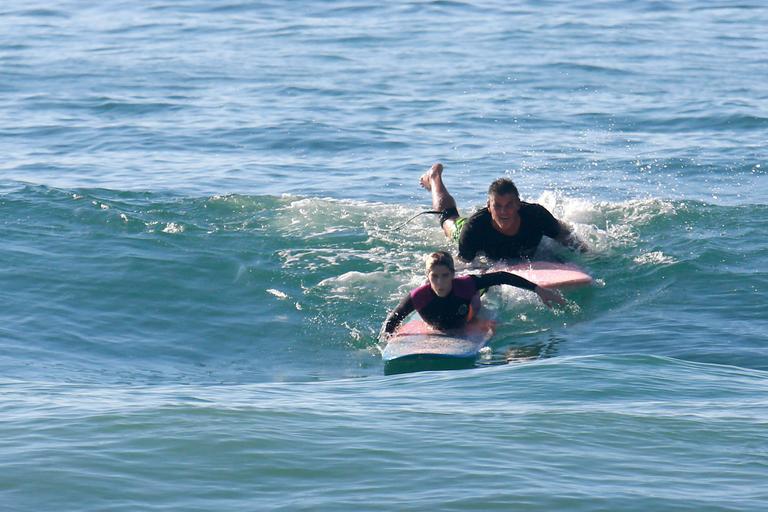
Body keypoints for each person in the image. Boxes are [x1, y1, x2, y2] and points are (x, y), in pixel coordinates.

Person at [419, 162, 587, 262]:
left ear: (519, 204)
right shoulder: (475, 228)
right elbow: (464, 263)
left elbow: (565, 236)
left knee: (558, 227)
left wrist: (589, 256)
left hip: (527, 240)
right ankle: (435, 177)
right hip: (471, 235)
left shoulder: (536, 215)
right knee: (449, 219)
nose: (503, 211)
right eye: (497, 206)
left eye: (509, 205)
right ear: (488, 206)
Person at [382, 251, 564, 336]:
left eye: (445, 276)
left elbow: (502, 277)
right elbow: (392, 320)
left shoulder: (465, 285)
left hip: (470, 303)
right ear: (428, 277)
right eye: (434, 277)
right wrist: (386, 342)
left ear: (453, 275)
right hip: (440, 318)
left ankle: (481, 269)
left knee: (481, 288)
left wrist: (538, 289)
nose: (440, 282)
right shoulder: (418, 296)